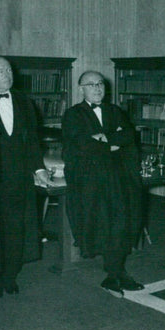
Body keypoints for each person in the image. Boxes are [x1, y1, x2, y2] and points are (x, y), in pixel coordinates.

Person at [61, 71, 144, 297]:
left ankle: (117, 271)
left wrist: (103, 139)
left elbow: (128, 136)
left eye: (100, 84)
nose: (97, 88)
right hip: (93, 180)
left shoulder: (115, 111)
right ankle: (112, 273)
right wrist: (111, 143)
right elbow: (81, 145)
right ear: (81, 89)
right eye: (91, 84)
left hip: (119, 177)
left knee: (122, 222)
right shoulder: (73, 114)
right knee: (103, 224)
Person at [0, 56, 54, 298]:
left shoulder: (24, 102)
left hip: (20, 178)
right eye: (0, 71)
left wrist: (39, 169)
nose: (7, 74)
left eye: (9, 70)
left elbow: (33, 140)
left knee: (16, 228)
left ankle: (10, 275)